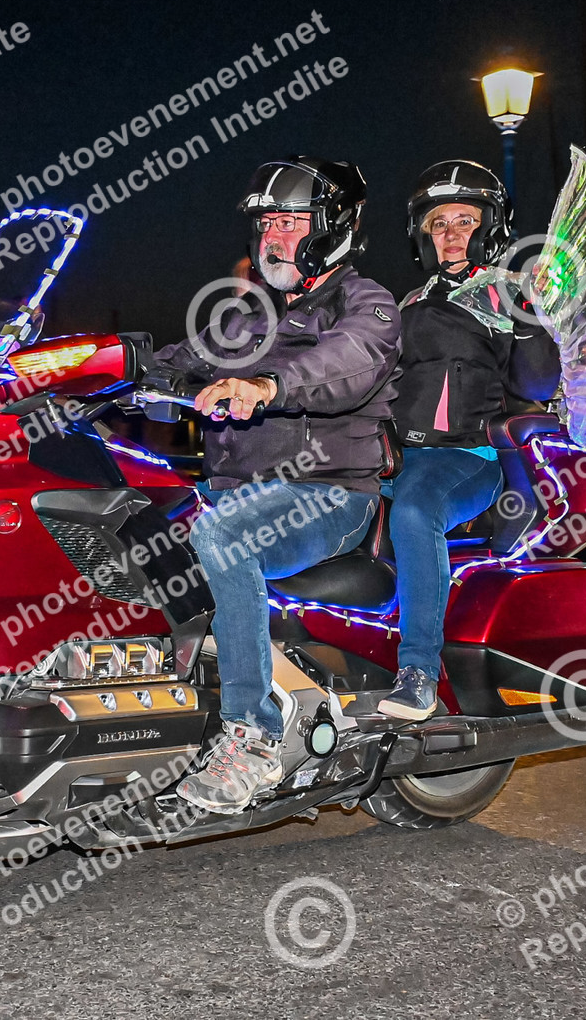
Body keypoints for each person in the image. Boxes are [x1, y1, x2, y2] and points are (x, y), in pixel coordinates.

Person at [160, 156, 401, 814]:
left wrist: (269, 385)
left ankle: (253, 736)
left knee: (227, 537)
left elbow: (346, 362)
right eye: (267, 223)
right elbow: (172, 362)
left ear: (330, 228)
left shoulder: (366, 303)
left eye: (290, 223)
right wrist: (67, 371)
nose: (273, 236)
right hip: (234, 490)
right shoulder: (245, 320)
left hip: (328, 495)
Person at [378, 161, 562, 721]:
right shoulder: (407, 303)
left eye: (465, 220)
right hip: (396, 458)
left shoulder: (507, 293)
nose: (451, 233)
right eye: (438, 223)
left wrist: (531, 311)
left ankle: (418, 672)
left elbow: (538, 385)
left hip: (468, 457)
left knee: (416, 512)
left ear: (490, 226)